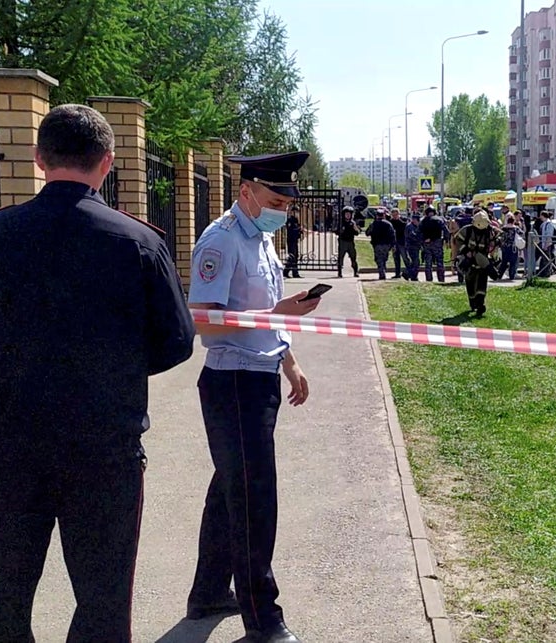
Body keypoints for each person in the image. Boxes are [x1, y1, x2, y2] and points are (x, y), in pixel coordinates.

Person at [0, 104, 196, 642]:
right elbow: (176, 343)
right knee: (103, 597)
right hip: (103, 452)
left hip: (9, 448)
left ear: (38, 158)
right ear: (108, 162)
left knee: (4, 590)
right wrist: (113, 368)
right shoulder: (140, 243)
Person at [186, 151, 323, 643]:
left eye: (287, 201)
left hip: (259, 375)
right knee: (253, 499)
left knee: (232, 488)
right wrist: (276, 315)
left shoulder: (260, 238)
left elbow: (269, 313)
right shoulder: (221, 241)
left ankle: (206, 592)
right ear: (246, 192)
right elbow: (202, 319)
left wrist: (289, 361)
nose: (282, 209)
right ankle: (263, 620)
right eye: (274, 199)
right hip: (233, 384)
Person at [454, 211, 501, 315]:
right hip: (468, 261)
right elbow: (457, 242)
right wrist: (466, 252)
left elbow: (497, 239)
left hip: (482, 261)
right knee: (470, 282)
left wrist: (497, 241)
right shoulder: (466, 230)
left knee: (482, 282)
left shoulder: (490, 232)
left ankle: (480, 304)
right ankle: (473, 303)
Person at [418, 206, 448, 282]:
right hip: (437, 242)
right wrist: (446, 240)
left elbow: (418, 232)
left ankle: (429, 279)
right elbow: (445, 231)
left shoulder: (423, 221)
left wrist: (423, 241)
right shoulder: (440, 220)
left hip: (426, 243)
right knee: (439, 261)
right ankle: (441, 278)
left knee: (428, 262)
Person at [368, 208, 397, 280]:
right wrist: (393, 245)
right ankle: (383, 270)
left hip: (377, 244)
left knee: (379, 259)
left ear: (377, 215)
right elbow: (393, 235)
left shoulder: (373, 224)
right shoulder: (388, 224)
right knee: (384, 258)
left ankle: (382, 273)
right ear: (383, 215)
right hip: (387, 245)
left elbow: (367, 233)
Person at [336, 206, 360, 277]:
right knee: (341, 257)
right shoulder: (341, 223)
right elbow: (336, 231)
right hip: (343, 242)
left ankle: (355, 272)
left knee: (353, 257)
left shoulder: (353, 223)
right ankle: (339, 272)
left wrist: (355, 228)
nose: (348, 215)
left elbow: (357, 233)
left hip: (350, 242)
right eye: (346, 214)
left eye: (349, 214)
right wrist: (341, 230)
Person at [496, 215, 521, 281]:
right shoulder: (516, 228)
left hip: (505, 247)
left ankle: (499, 275)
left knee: (504, 262)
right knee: (513, 262)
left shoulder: (503, 228)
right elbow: (521, 234)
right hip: (513, 247)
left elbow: (499, 236)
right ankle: (511, 276)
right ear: (513, 221)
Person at [282, 205, 302, 278]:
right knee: (292, 257)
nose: (297, 213)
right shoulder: (290, 220)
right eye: (296, 211)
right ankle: (287, 272)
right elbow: (291, 230)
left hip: (295, 240)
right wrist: (298, 229)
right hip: (291, 240)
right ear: (293, 212)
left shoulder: (296, 220)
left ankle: (294, 273)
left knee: (295, 256)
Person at [535, 210, 556, 277]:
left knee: (546, 259)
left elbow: (549, 235)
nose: (540, 217)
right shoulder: (544, 223)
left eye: (541, 215)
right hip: (543, 244)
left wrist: (546, 245)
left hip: (547, 245)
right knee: (544, 259)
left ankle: (546, 273)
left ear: (543, 215)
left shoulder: (548, 224)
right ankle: (543, 272)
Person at [403, 212, 423, 281]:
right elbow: (412, 236)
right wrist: (420, 239)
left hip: (416, 246)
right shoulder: (410, 226)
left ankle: (407, 273)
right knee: (416, 262)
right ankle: (412, 276)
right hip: (411, 246)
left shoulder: (417, 226)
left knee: (415, 262)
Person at [389, 207, 407, 278]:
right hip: (394, 243)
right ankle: (397, 273)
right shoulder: (390, 222)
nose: (395, 216)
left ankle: (409, 272)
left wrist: (399, 220)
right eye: (393, 215)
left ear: (399, 214)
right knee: (396, 259)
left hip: (402, 242)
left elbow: (405, 227)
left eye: (396, 215)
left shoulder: (403, 220)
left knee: (405, 258)